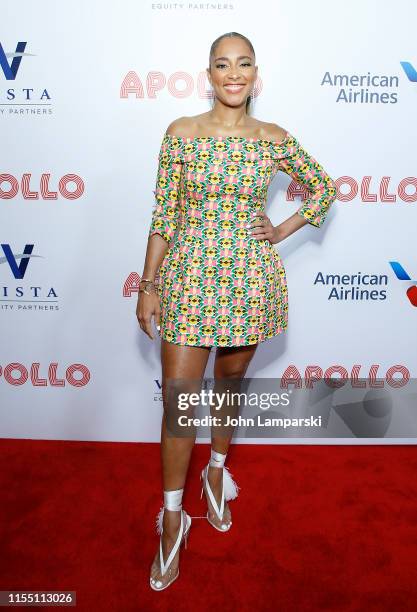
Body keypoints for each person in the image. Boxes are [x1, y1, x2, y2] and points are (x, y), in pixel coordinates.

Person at [136, 32, 337, 591]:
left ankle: (217, 474)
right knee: (180, 402)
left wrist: (281, 229)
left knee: (228, 387)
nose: (233, 73)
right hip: (189, 278)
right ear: (208, 73)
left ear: (256, 74)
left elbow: (323, 188)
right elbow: (163, 214)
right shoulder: (180, 134)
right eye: (222, 64)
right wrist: (148, 283)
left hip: (249, 279)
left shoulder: (272, 139)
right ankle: (172, 518)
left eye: (242, 63)